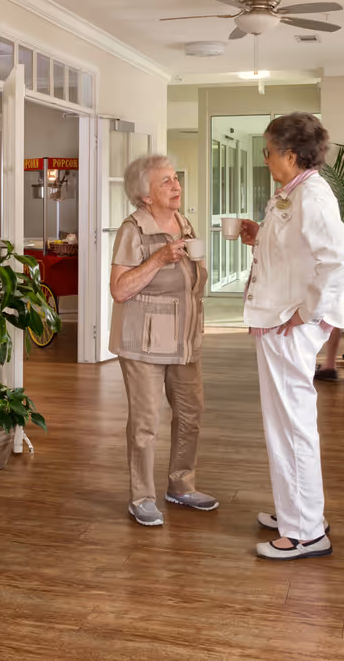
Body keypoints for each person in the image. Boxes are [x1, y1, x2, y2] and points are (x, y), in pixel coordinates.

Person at [237, 113, 344, 560]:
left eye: (268, 151)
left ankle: (305, 531)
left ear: (289, 154)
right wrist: (261, 236)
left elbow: (339, 261)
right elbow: (300, 251)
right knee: (283, 422)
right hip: (278, 317)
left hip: (291, 321)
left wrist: (307, 313)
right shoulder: (294, 193)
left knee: (291, 424)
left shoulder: (312, 196)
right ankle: (297, 509)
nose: (265, 159)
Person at [109, 154, 216, 527]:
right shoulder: (132, 230)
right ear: (144, 196)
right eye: (165, 182)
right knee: (145, 423)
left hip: (185, 339)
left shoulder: (183, 221)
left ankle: (181, 485)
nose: (176, 185)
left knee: (191, 416)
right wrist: (157, 259)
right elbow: (120, 290)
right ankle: (141, 496)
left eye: (175, 178)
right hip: (144, 341)